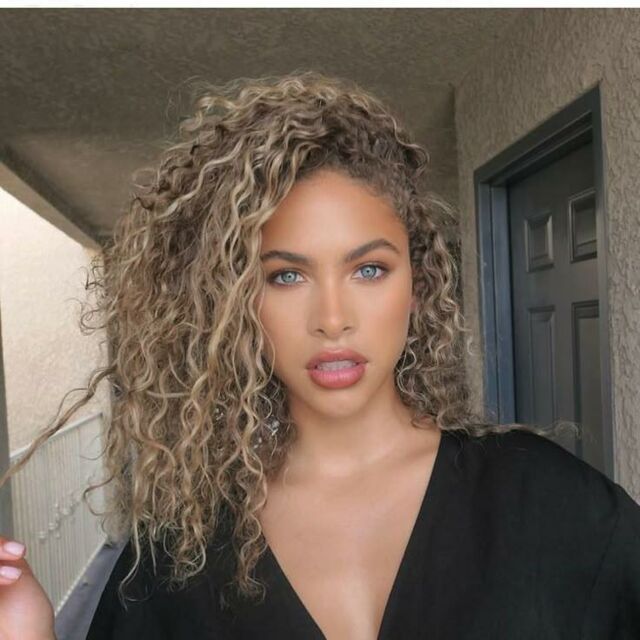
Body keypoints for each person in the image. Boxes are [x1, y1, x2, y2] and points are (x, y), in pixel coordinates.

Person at [0, 70, 639, 640]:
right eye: (286, 276)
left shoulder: (548, 501)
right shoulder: (181, 556)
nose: (332, 319)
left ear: (417, 285)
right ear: (235, 304)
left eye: (369, 269)